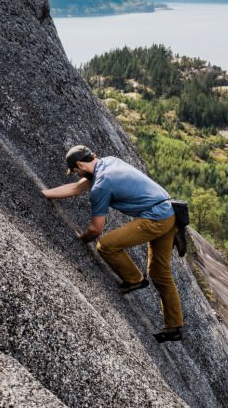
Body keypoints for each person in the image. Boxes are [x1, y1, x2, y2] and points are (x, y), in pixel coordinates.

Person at [42, 145, 183, 343]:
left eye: (75, 170)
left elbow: (96, 229)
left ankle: (134, 279)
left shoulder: (101, 184)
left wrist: (80, 240)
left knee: (106, 245)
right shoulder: (109, 162)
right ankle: (174, 327)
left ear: (81, 164)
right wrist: (43, 194)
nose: (76, 174)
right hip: (170, 214)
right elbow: (75, 188)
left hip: (156, 219)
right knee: (160, 272)